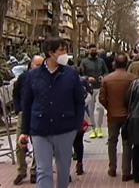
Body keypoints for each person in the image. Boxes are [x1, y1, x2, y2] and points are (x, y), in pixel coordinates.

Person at [20, 37, 85, 188]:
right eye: (62, 50)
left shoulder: (71, 74)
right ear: (51, 53)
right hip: (40, 129)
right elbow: (27, 103)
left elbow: (79, 101)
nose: (65, 53)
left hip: (65, 129)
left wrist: (76, 126)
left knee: (63, 170)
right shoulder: (33, 75)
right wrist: (24, 131)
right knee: (43, 171)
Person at [99, 53, 136, 181]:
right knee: (127, 143)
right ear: (127, 64)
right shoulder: (133, 79)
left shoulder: (107, 79)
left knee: (112, 141)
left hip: (113, 115)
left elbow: (102, 98)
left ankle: (112, 168)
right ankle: (126, 171)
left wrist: (109, 107)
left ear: (114, 63)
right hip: (128, 115)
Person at [12, 55, 44, 185]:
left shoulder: (45, 78)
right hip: (24, 113)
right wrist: (18, 108)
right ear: (31, 65)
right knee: (20, 144)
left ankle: (34, 171)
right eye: (37, 65)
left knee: (38, 143)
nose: (40, 68)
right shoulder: (23, 78)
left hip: (38, 114)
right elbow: (16, 94)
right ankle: (21, 171)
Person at [80, 44, 109, 139]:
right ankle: (93, 128)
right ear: (88, 50)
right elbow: (80, 74)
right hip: (89, 89)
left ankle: (99, 127)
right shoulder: (84, 62)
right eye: (92, 50)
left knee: (100, 108)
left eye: (95, 50)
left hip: (100, 87)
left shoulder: (101, 61)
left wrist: (103, 76)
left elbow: (106, 71)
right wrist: (88, 78)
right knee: (90, 109)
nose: (94, 51)